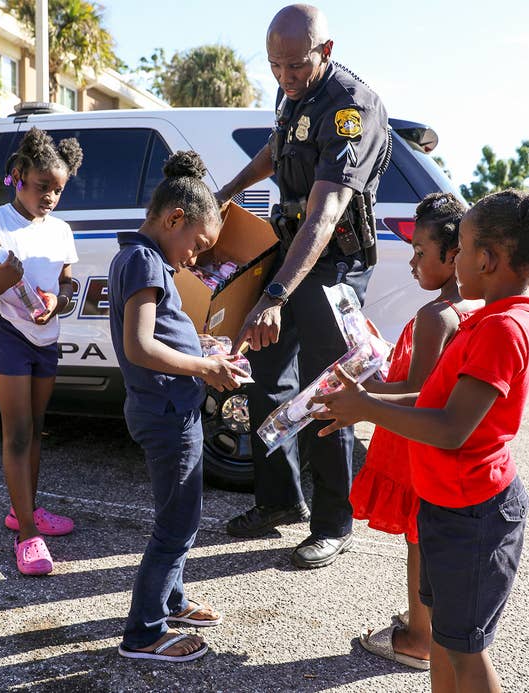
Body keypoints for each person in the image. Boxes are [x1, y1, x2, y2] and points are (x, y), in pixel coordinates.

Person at [311, 189, 529, 692]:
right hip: (446, 504)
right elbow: (431, 396)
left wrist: (367, 407)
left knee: (465, 651)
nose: (454, 257)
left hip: (473, 515)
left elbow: (451, 428)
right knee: (444, 642)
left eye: (464, 245)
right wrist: (361, 399)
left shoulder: (503, 328)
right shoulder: (486, 319)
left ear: (486, 259)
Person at [215, 3, 391, 569]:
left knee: (327, 391)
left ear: (327, 51)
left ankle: (334, 523)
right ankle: (279, 502)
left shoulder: (349, 106)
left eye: (295, 66)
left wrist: (274, 297)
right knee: (266, 381)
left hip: (331, 263)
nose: (285, 77)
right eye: (275, 66)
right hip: (289, 255)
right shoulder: (291, 93)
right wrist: (229, 189)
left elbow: (325, 213)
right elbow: (277, 147)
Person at [109, 151, 248, 663]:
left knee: (178, 513)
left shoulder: (141, 257)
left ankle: (173, 601)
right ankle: (143, 634)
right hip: (166, 412)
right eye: (199, 244)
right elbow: (140, 346)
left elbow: (159, 335)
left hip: (167, 407)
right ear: (174, 220)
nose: (198, 258)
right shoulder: (146, 261)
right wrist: (206, 369)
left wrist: (202, 348)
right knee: (177, 525)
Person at [351, 192, 481, 670]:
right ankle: (426, 622)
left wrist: (364, 385)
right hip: (454, 446)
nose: (412, 263)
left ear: (453, 254)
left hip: (417, 444)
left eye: (420, 252)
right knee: (434, 542)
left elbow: (416, 391)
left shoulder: (435, 315)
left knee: (417, 542)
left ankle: (417, 637)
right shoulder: (478, 305)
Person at [0, 128, 83, 576]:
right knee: (16, 432)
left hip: (46, 336)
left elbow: (68, 283)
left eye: (58, 189)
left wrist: (60, 299)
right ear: (18, 176)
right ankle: (27, 536)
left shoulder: (61, 230)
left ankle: (25, 511)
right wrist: (5, 281)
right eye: (42, 187)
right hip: (7, 333)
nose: (50, 197)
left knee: (36, 429)